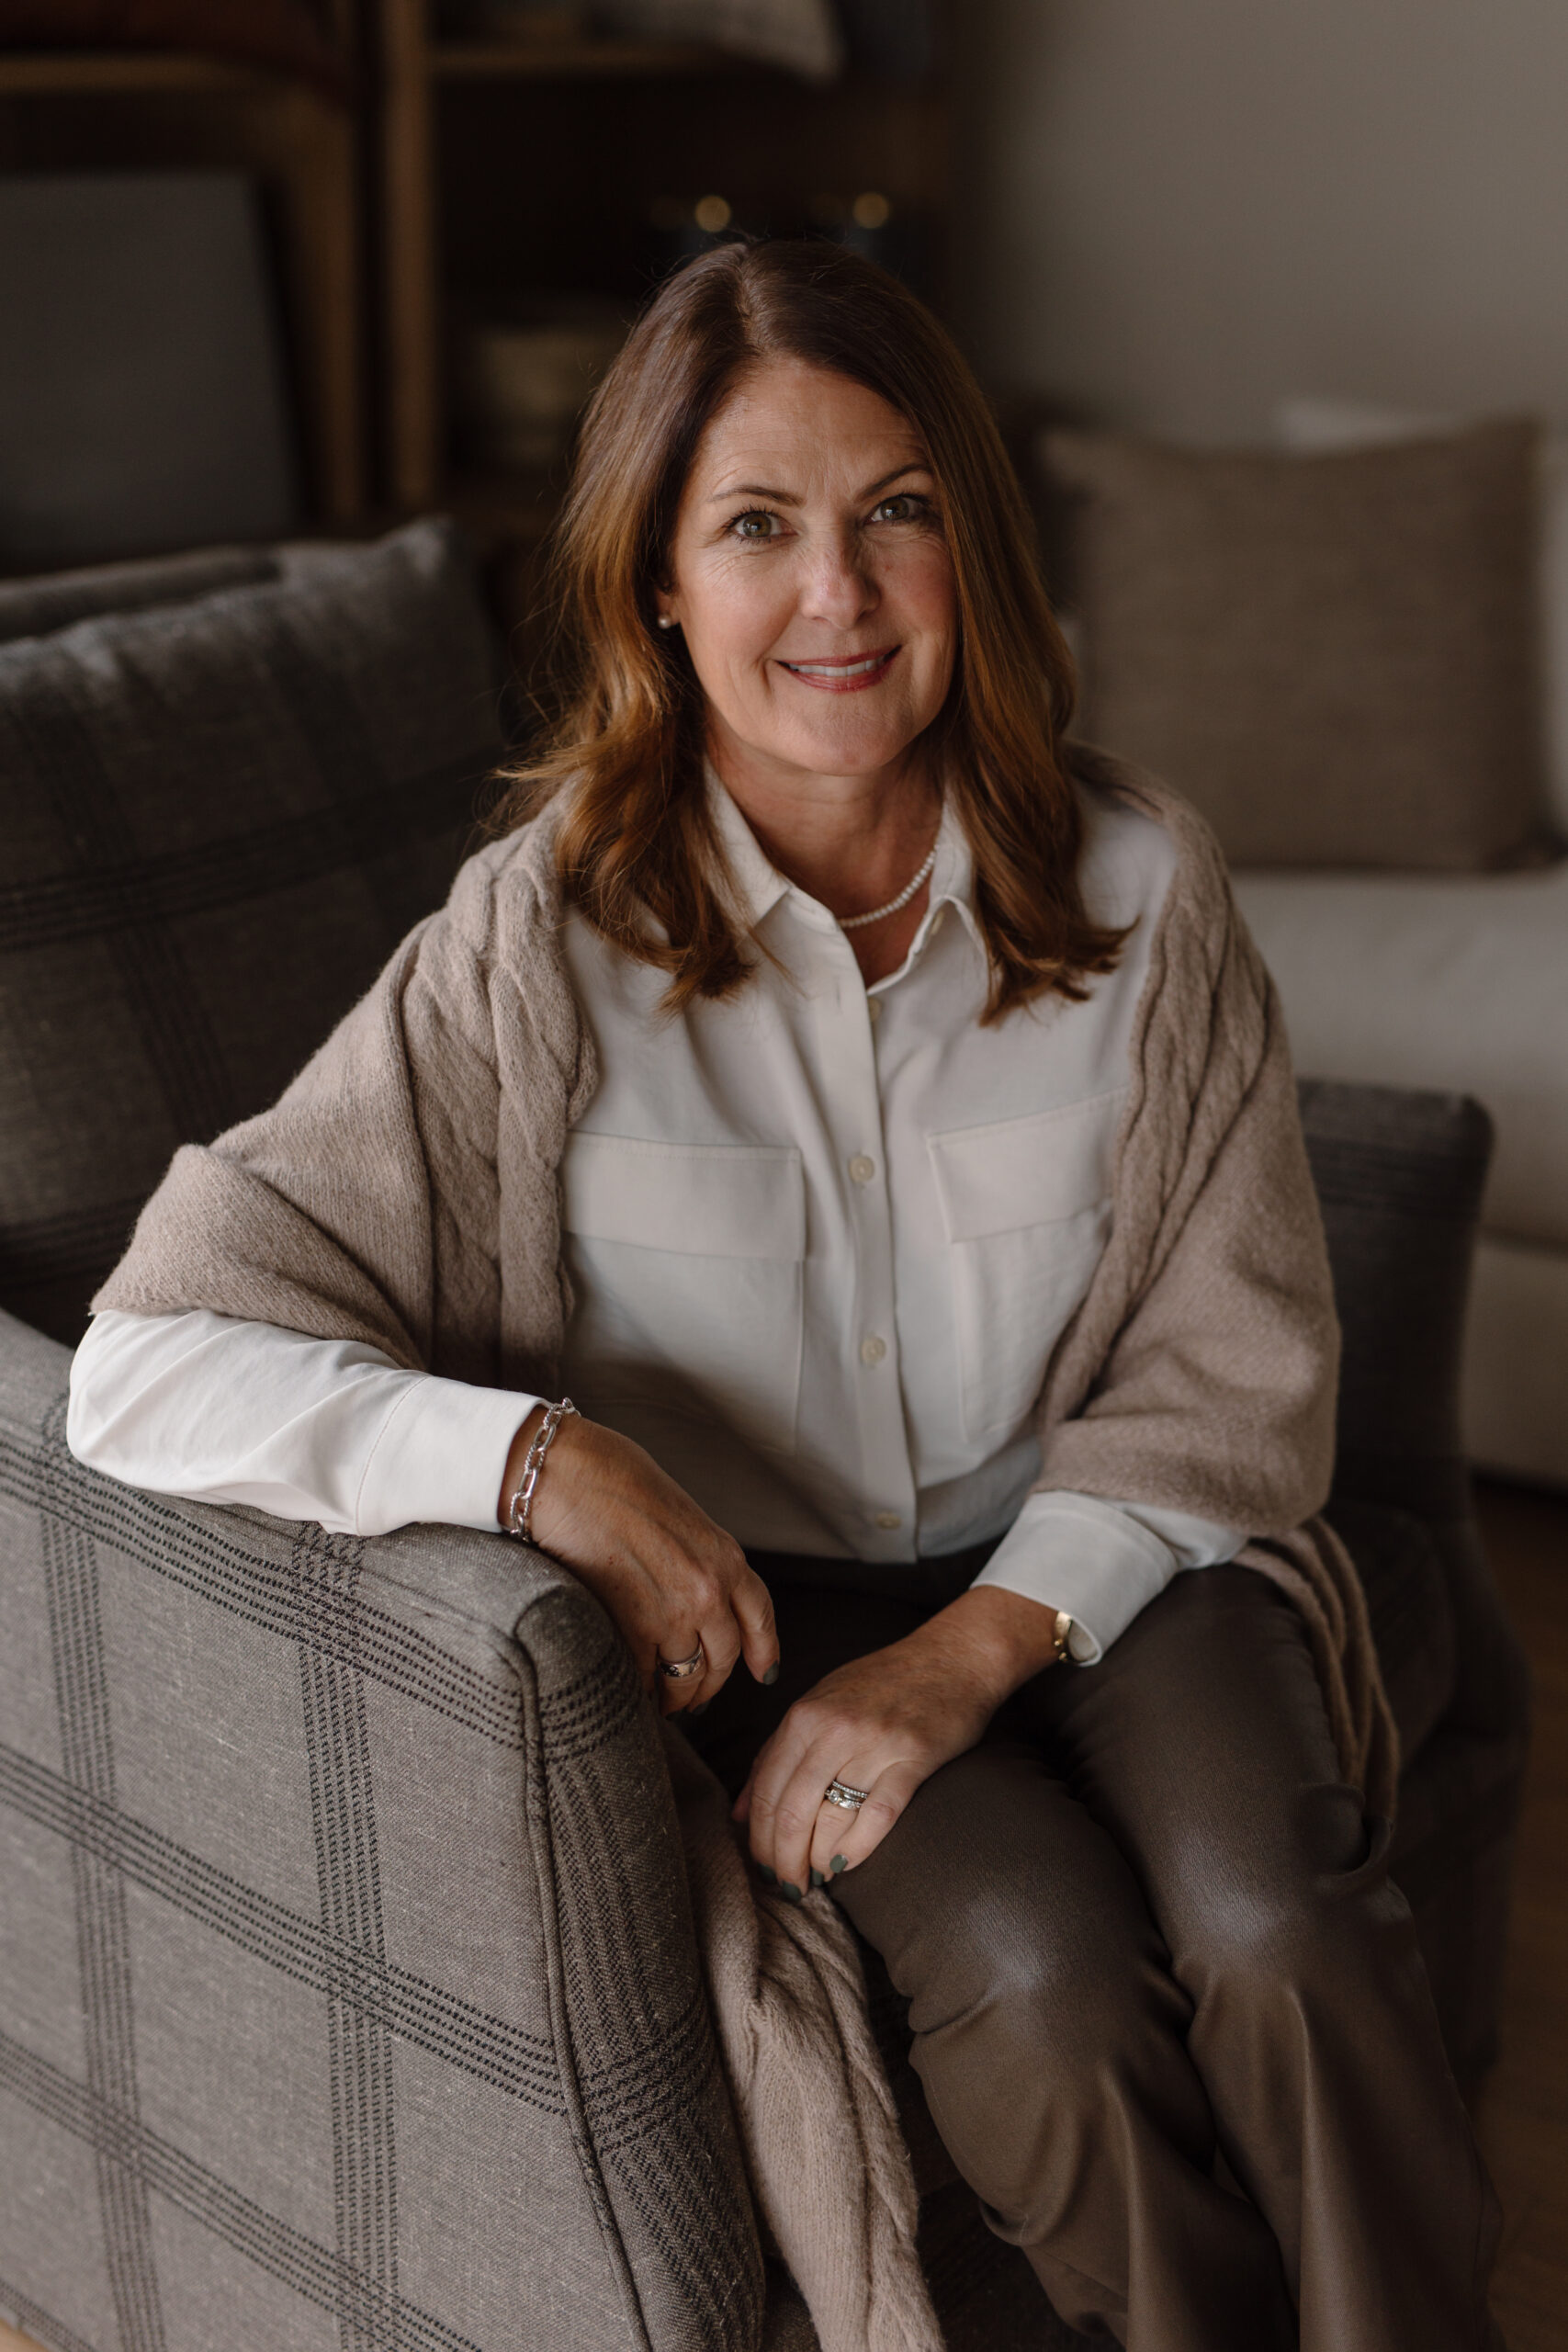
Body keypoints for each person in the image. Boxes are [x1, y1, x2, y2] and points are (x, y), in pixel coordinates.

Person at [69, 239, 1501, 2350]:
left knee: (1277, 1924)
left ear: (970, 549)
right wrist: (548, 1460)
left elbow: (1232, 1370)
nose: (834, 595)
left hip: (1104, 1554)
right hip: (758, 1623)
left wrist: (967, 1653)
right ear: (658, 579)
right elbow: (139, 1367)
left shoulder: (1139, 890)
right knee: (1033, 1974)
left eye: (893, 511)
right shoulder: (529, 949)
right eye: (755, 526)